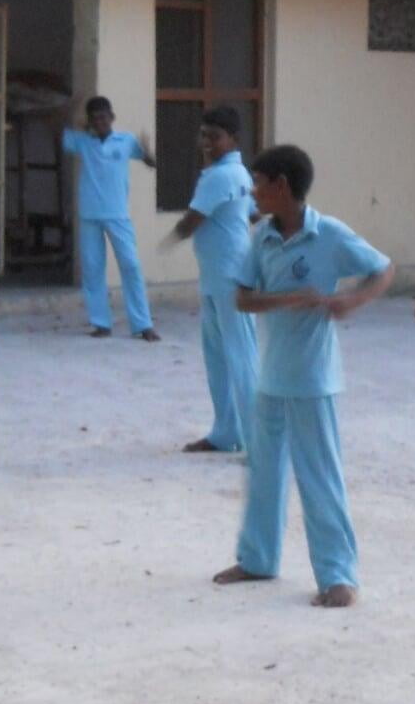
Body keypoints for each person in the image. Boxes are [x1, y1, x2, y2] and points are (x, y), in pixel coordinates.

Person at [212, 145, 395, 608]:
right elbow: (243, 299)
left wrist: (352, 301)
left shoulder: (328, 234)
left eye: (259, 184)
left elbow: (382, 269)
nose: (254, 193)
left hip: (314, 380)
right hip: (271, 377)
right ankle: (257, 558)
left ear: (282, 186)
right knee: (264, 473)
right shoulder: (262, 238)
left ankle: (338, 576)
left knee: (320, 478)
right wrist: (289, 299)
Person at [162, 106, 258, 454]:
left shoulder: (219, 176)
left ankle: (260, 441)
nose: (206, 143)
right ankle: (226, 432)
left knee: (242, 359)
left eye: (214, 137)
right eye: (203, 135)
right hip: (218, 277)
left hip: (230, 276)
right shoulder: (238, 173)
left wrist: (170, 240)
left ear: (233, 139)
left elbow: (191, 221)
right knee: (218, 358)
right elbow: (253, 214)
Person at [62, 95, 160, 341]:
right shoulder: (82, 141)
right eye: (95, 119)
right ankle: (100, 323)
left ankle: (143, 324)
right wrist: (72, 113)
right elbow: (59, 131)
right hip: (89, 215)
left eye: (103, 117)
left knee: (131, 266)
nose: (100, 122)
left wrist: (147, 150)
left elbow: (151, 163)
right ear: (90, 121)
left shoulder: (126, 141)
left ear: (112, 117)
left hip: (118, 214)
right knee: (93, 270)